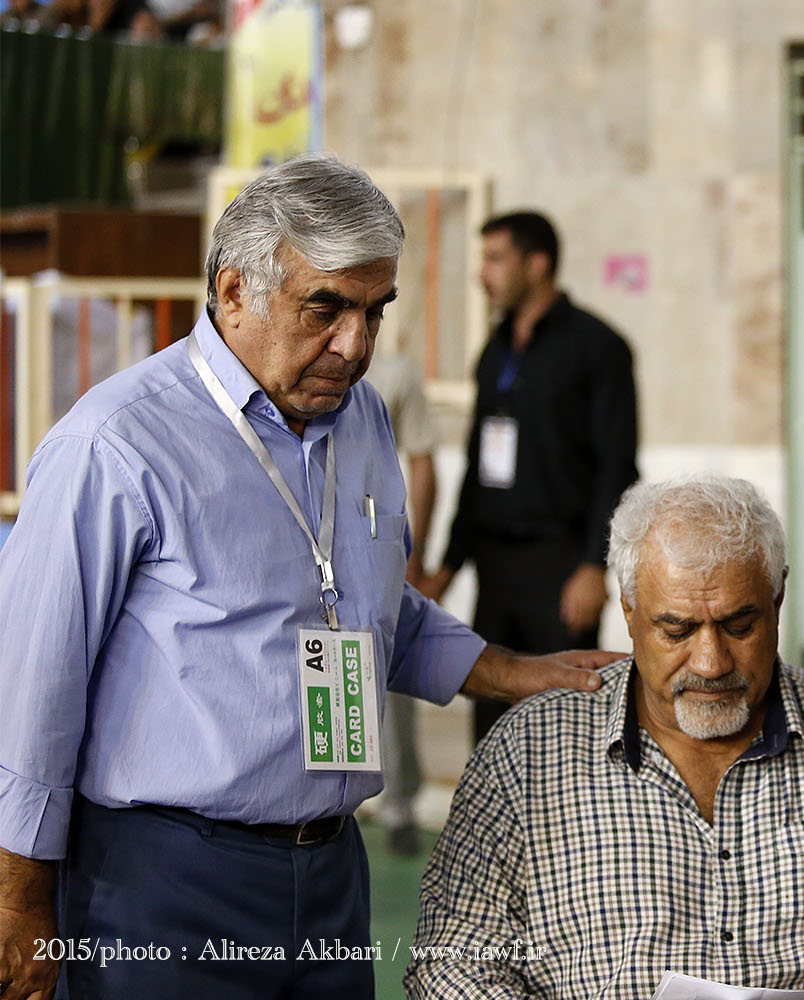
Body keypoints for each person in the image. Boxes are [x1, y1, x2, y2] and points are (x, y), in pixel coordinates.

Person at [0, 154, 615, 999]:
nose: (355, 346)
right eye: (324, 309)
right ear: (234, 292)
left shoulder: (359, 417)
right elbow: (34, 683)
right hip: (160, 883)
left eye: (374, 311)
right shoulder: (116, 444)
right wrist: (20, 901)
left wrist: (509, 671)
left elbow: (365, 603)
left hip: (329, 875)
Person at [406, 474, 804, 999]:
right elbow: (452, 963)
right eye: (676, 629)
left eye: (739, 626)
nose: (710, 662)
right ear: (628, 609)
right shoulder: (529, 753)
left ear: (778, 598)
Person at [420, 210, 638, 746]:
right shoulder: (495, 351)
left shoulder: (597, 346)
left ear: (537, 264)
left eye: (496, 259)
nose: (482, 274)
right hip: (495, 566)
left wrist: (594, 566)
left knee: (565, 716)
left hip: (560, 566)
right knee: (491, 715)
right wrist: (447, 569)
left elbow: (617, 465)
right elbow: (477, 470)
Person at [362, 346, 438, 855]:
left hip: (375, 540)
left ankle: (400, 804)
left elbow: (422, 458)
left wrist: (417, 553)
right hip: (309, 538)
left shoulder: (392, 374)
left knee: (392, 669)